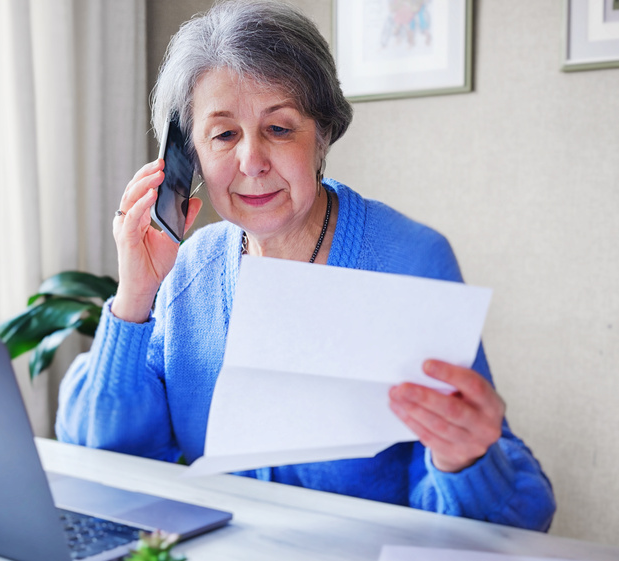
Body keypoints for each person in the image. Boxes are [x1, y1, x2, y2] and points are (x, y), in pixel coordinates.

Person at [57, 0, 555, 531]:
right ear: (189, 156)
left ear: (322, 135)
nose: (252, 161)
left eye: (279, 128)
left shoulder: (409, 260)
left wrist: (464, 460)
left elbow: (518, 516)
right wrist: (135, 295)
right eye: (223, 135)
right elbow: (110, 455)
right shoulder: (190, 268)